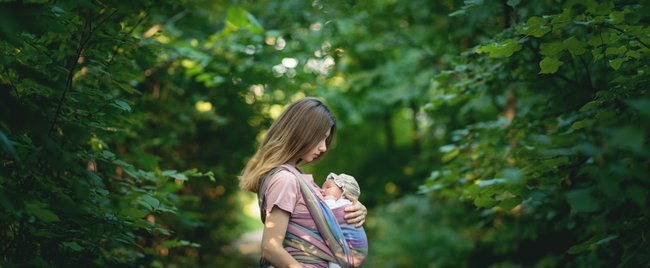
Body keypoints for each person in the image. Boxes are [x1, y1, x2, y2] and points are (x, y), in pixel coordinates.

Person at [239, 97, 368, 268]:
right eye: (320, 138)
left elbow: (322, 219)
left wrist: (354, 210)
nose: (323, 147)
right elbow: (270, 248)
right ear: (302, 133)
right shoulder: (285, 179)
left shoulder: (295, 177)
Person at [321, 173, 368, 268]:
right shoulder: (341, 204)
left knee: (335, 262)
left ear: (344, 192)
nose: (322, 190)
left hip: (354, 251)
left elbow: (327, 214)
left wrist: (328, 201)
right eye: (322, 187)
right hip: (353, 251)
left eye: (328, 187)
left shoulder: (345, 207)